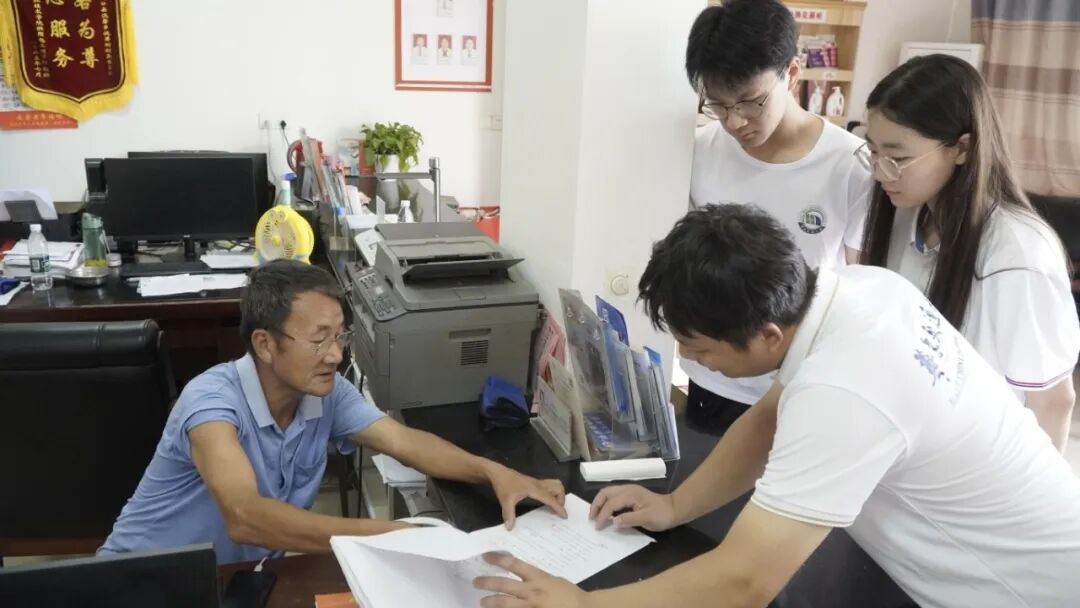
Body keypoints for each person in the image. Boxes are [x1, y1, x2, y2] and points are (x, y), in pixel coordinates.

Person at [473, 204, 1080, 607]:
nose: (695, 360)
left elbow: (745, 582)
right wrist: (675, 505)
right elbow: (767, 421)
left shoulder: (843, 391)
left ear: (765, 334)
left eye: (700, 348)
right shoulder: (861, 290)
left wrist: (583, 604)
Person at [99, 260, 565, 565]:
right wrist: (393, 535)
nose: (335, 355)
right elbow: (246, 516)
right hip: (141, 583)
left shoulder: (326, 393)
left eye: (339, 336)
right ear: (265, 344)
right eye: (318, 339)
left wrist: (493, 472)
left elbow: (406, 442)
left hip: (234, 580)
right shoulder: (210, 402)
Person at [858, 54, 1079, 451]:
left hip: (980, 465)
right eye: (872, 151)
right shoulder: (908, 216)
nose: (879, 171)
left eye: (898, 158)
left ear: (962, 148)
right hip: (910, 447)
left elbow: (1052, 402)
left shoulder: (1018, 257)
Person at [683, 0, 871, 431]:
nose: (735, 121)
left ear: (792, 72)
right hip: (714, 381)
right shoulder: (699, 151)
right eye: (719, 105)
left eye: (750, 101)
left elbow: (864, 283)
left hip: (801, 384)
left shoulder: (850, 165)